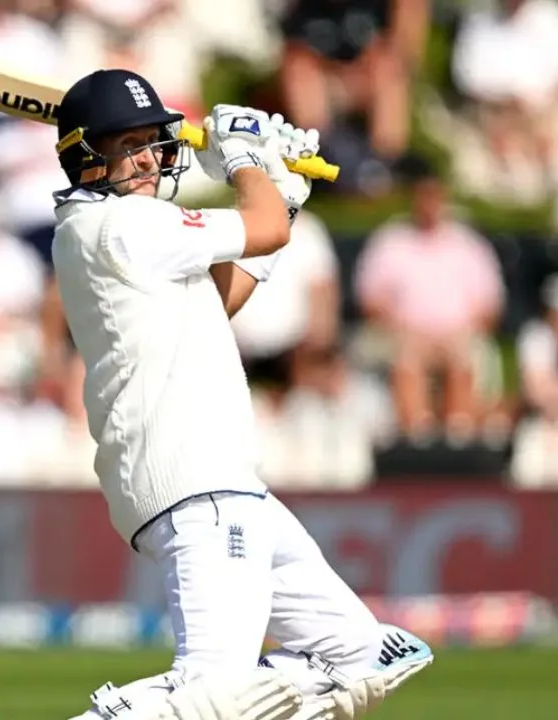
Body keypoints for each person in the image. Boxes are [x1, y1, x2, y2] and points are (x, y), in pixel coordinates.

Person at [48, 68, 433, 720]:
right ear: (86, 157)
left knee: (364, 654)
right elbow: (264, 228)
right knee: (213, 691)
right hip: (193, 480)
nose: (147, 158)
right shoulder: (121, 227)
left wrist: (283, 191)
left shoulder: (128, 234)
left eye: (153, 142)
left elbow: (222, 295)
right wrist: (249, 157)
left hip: (225, 481)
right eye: (128, 145)